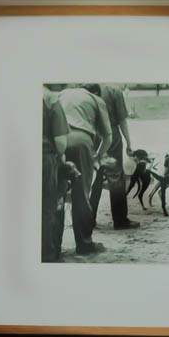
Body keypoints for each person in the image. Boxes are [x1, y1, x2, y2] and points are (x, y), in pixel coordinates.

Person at [57, 84, 111, 255]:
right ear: (95, 91)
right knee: (81, 194)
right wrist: (97, 156)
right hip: (81, 141)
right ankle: (84, 244)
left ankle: (53, 245)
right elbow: (108, 137)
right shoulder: (96, 99)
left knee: (55, 194)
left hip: (58, 139)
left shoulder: (61, 94)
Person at [95, 83, 138, 231]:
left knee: (94, 177)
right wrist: (129, 142)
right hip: (110, 133)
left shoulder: (88, 86)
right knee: (115, 177)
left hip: (92, 133)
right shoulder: (114, 90)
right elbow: (122, 121)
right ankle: (119, 220)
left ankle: (88, 219)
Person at [41, 87, 69, 262]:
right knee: (47, 209)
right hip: (44, 158)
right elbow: (60, 143)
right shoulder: (50, 99)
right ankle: (48, 255)